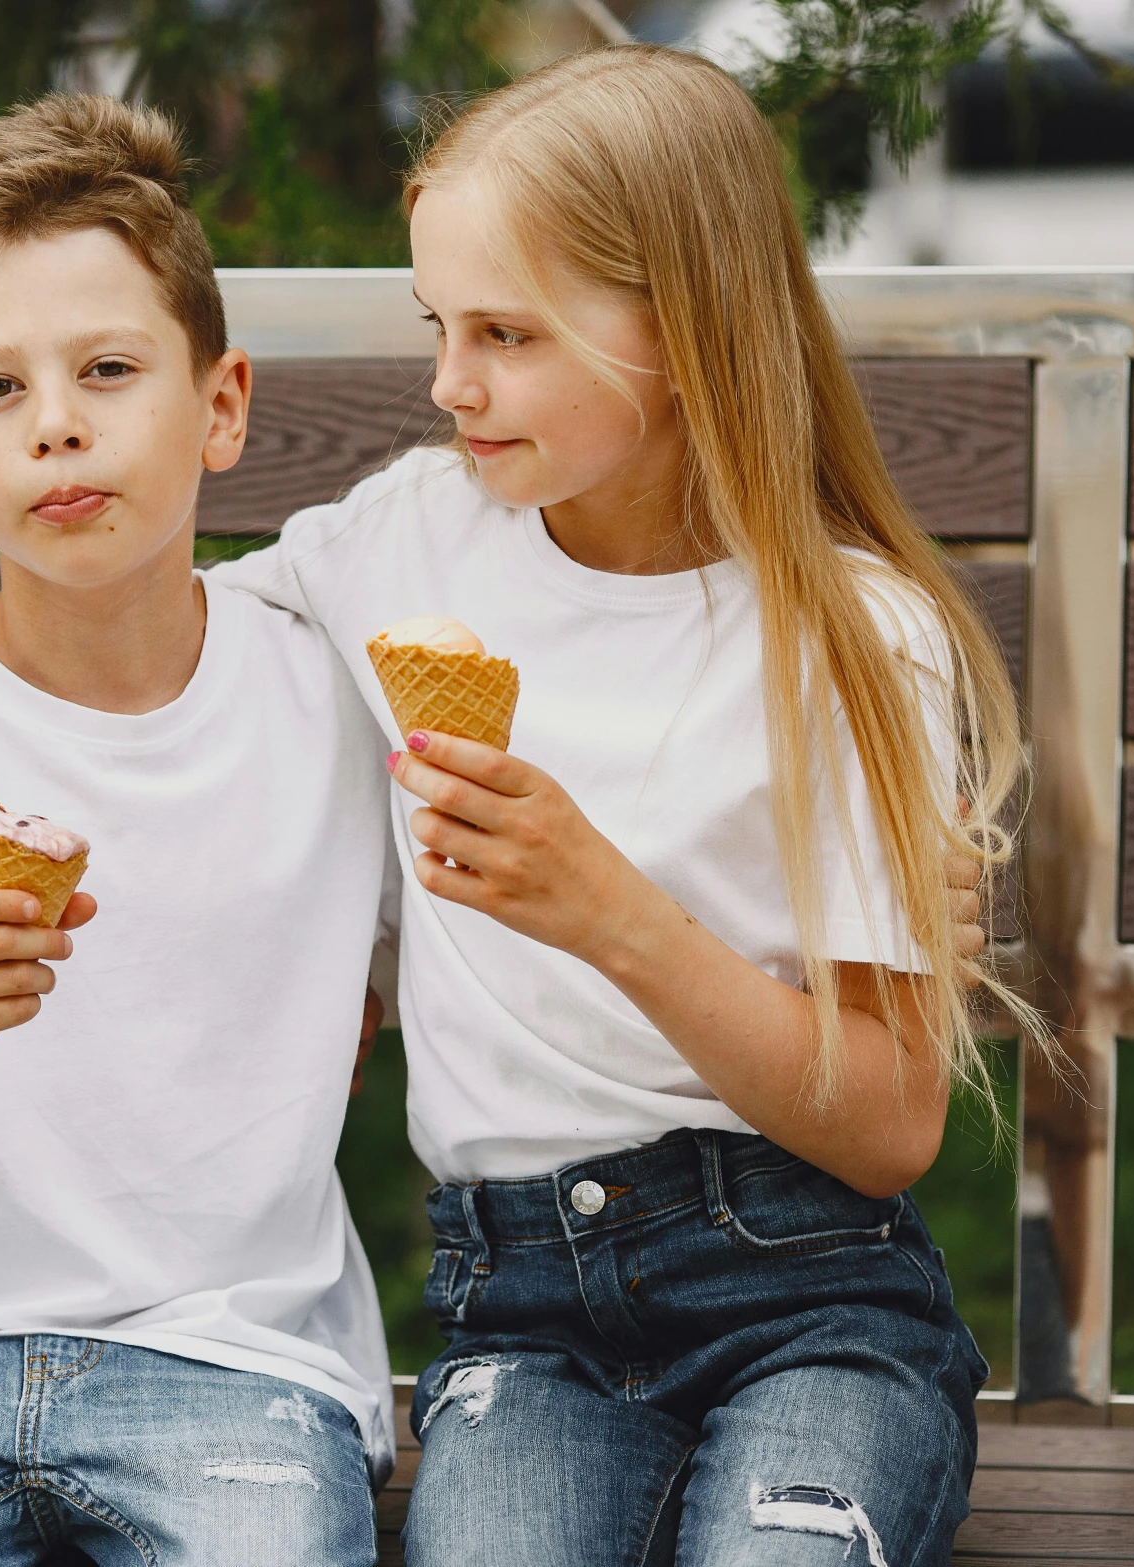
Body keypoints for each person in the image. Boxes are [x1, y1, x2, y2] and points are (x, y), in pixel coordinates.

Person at [213, 45, 1035, 1567]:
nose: (448, 383)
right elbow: (149, 665)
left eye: (506, 333)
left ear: (682, 324)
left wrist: (605, 913)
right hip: (519, 1314)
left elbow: (888, 1123)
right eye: (437, 325)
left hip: (806, 1287)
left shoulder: (848, 641)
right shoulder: (400, 543)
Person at [0, 95, 396, 1567]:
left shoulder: (330, 701)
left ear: (219, 403)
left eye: (107, 369)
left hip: (244, 1362)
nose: (54, 421)